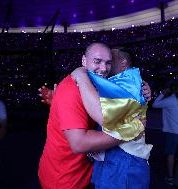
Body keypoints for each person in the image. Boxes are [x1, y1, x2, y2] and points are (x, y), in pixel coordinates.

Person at [38, 46, 152, 189]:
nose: (104, 68)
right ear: (84, 60)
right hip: (65, 179)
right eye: (97, 61)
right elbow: (79, 142)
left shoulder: (114, 84)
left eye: (109, 62)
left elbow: (104, 114)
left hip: (104, 167)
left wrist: (80, 75)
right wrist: (131, 130)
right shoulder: (84, 86)